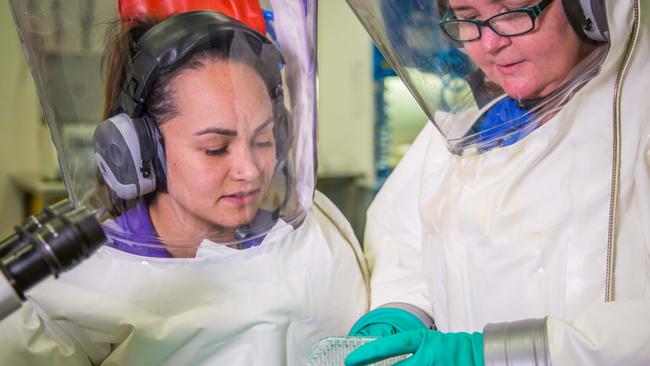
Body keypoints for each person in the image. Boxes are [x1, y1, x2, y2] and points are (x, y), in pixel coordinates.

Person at [0, 0, 369, 364]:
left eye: (263, 139)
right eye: (215, 148)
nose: (250, 170)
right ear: (139, 151)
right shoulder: (84, 284)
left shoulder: (311, 236)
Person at [343, 0, 650, 364]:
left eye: (513, 11)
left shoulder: (638, 119)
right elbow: (409, 250)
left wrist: (508, 353)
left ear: (588, 11)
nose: (489, 44)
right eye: (469, 18)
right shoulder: (467, 128)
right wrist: (401, 312)